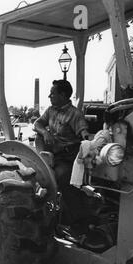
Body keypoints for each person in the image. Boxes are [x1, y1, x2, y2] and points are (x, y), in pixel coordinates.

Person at [34, 80, 89, 226]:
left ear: (63, 95)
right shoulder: (51, 110)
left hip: (67, 157)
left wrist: (88, 141)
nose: (49, 96)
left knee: (62, 179)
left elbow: (83, 132)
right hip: (51, 155)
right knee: (39, 175)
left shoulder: (75, 114)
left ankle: (75, 220)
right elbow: (37, 124)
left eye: (53, 93)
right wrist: (45, 132)